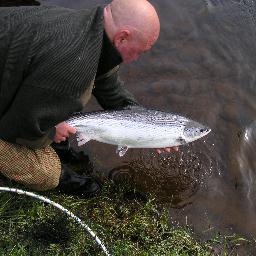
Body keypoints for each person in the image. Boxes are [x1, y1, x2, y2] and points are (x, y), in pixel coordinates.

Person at [0, 0, 177, 196]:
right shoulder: (73, 67)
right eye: (139, 52)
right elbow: (19, 126)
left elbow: (108, 84)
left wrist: (148, 126)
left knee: (63, 107)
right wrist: (51, 132)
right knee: (46, 172)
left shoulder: (90, 27)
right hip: (15, 113)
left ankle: (58, 147)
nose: (136, 58)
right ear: (123, 37)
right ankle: (64, 178)